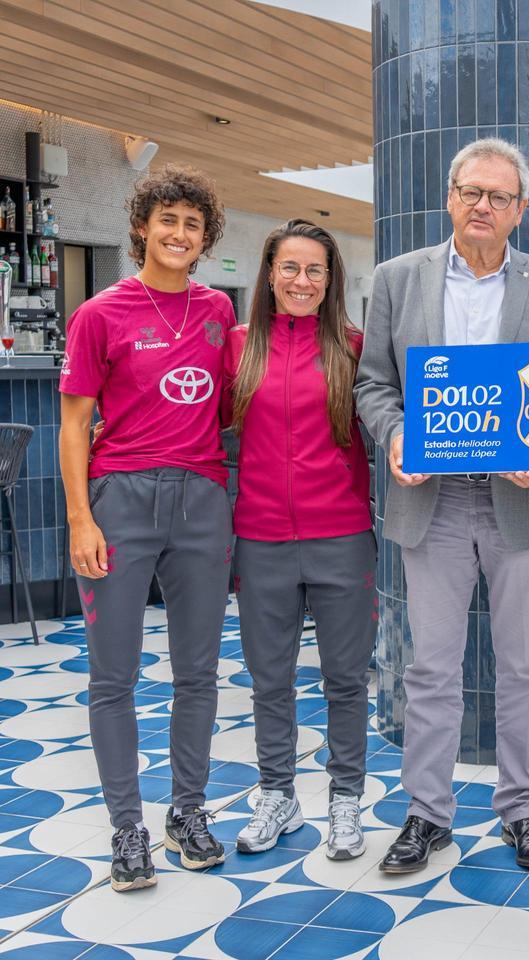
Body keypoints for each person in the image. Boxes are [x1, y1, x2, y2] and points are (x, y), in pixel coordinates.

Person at [354, 138, 529, 875]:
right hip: (434, 502)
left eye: (499, 196)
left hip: (519, 504)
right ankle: (427, 814)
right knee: (431, 668)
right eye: (471, 192)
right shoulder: (396, 280)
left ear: (521, 209)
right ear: (449, 197)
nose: (483, 206)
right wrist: (395, 438)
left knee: (524, 665)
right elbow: (373, 385)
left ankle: (524, 811)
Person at [59, 165, 233, 891]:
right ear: (141, 227)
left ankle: (186, 811)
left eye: (192, 224)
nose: (178, 233)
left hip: (202, 500)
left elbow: (231, 408)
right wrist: (79, 518)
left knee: (198, 672)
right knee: (114, 677)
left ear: (204, 239)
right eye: (167, 219)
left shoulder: (220, 311)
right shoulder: (100, 312)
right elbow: (73, 425)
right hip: (119, 501)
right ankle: (127, 829)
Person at [222, 219, 375, 861]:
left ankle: (345, 802)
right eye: (290, 268)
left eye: (315, 270)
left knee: (345, 680)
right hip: (260, 539)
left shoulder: (354, 346)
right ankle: (277, 796)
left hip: (341, 534)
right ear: (269, 273)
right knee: (270, 681)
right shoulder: (235, 346)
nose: (302, 281)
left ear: (331, 280)